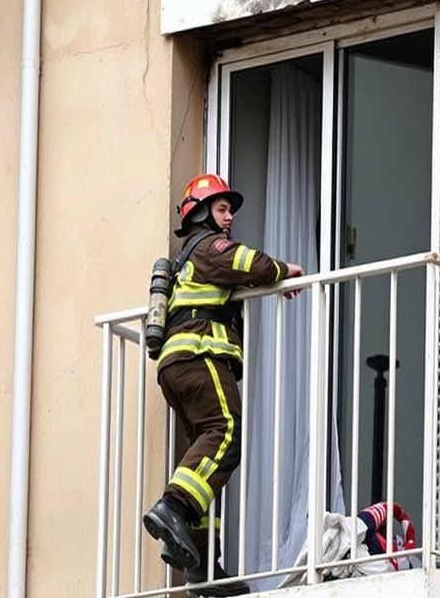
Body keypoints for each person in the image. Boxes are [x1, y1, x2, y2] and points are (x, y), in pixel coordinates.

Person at [143, 173, 303, 597]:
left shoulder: (184, 263)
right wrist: (281, 271)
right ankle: (173, 507)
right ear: (199, 214)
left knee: (204, 454)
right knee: (226, 432)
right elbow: (245, 263)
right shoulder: (207, 247)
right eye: (221, 208)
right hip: (200, 357)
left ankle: (201, 568)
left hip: (175, 369)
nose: (229, 217)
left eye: (230, 210)